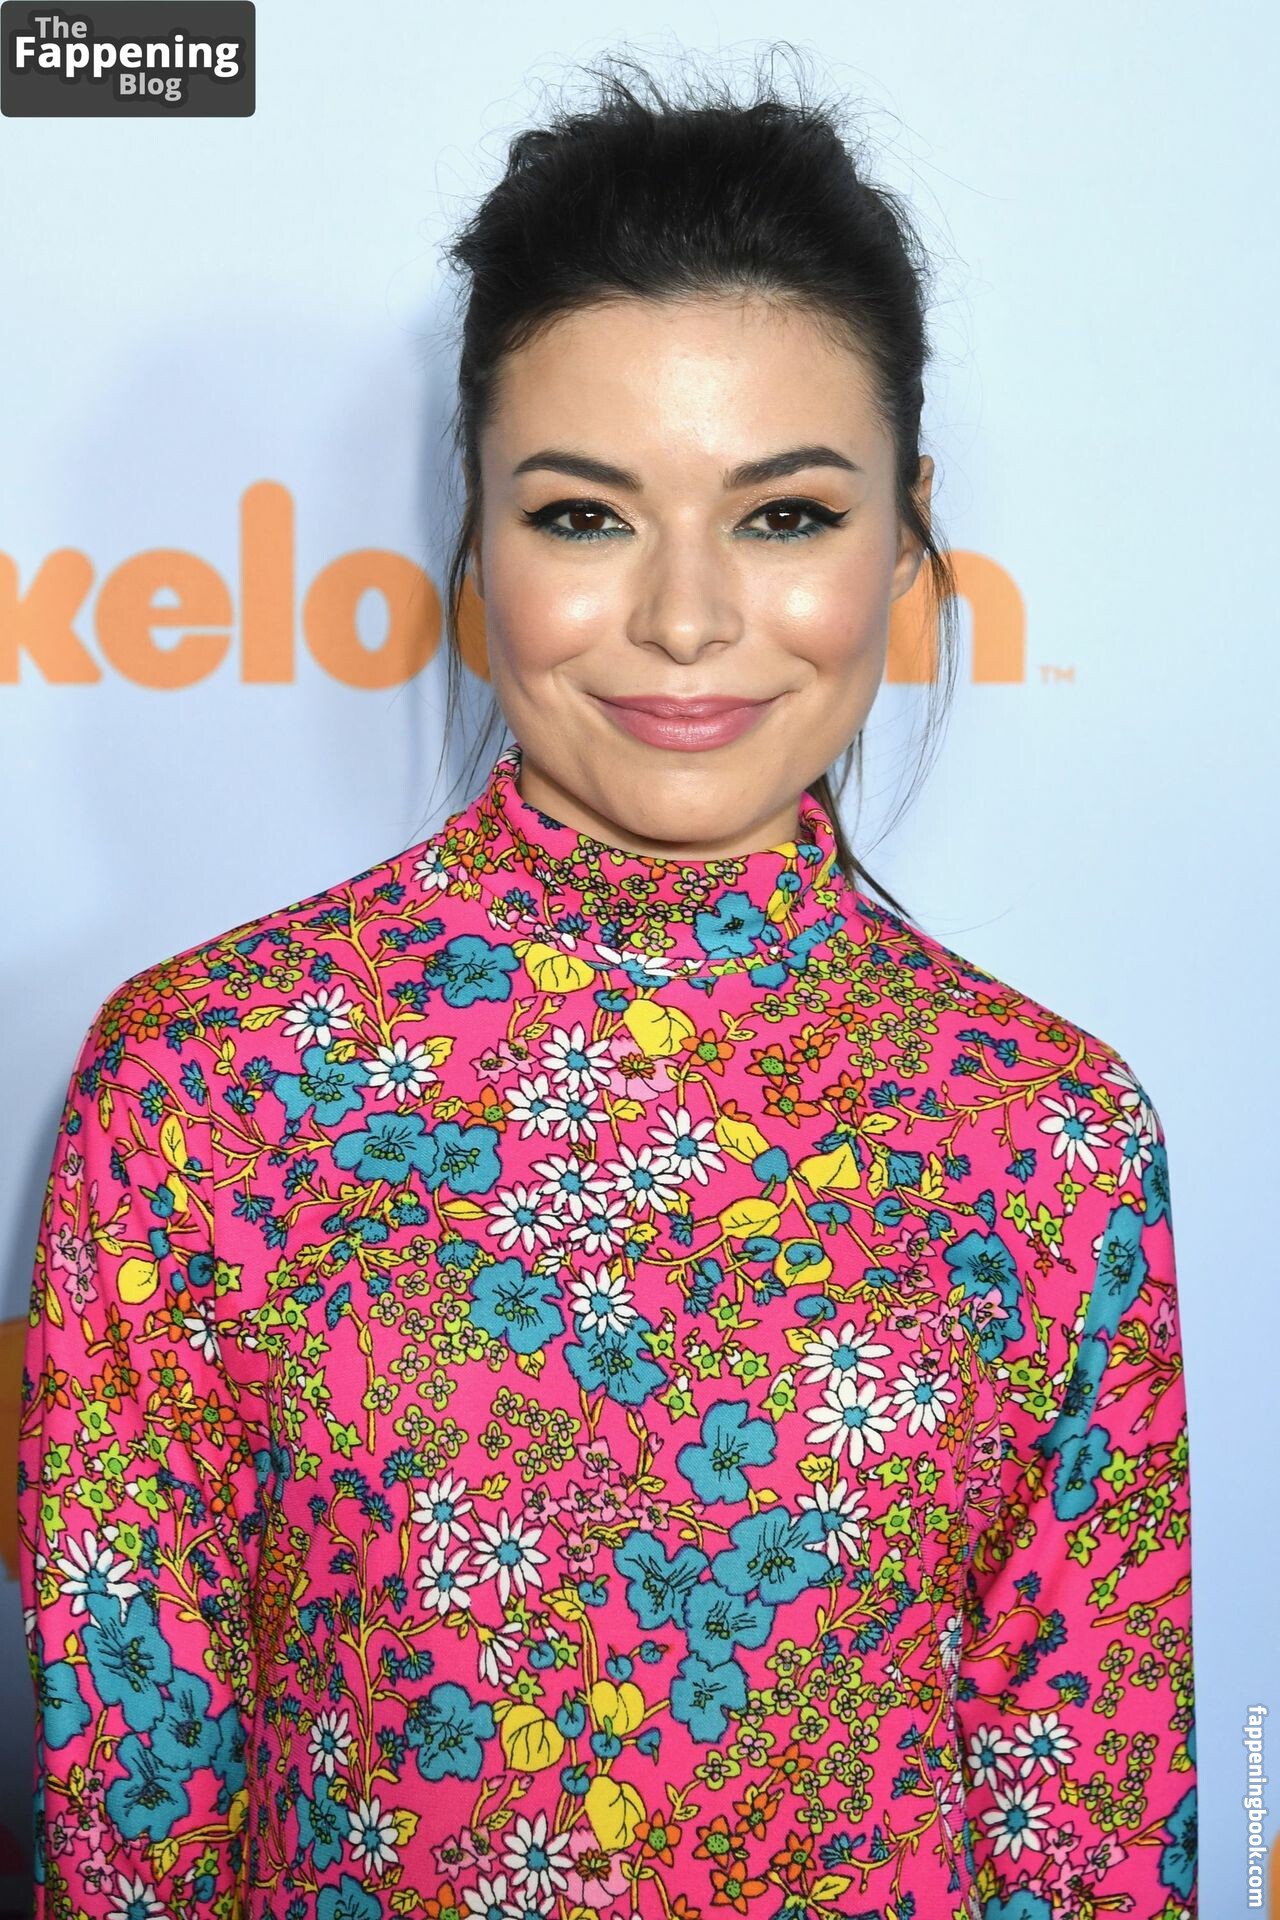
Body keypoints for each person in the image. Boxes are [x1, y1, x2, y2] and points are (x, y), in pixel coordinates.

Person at [18, 48, 1196, 1920]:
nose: (685, 619)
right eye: (585, 514)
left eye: (786, 514)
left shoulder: (1049, 1135)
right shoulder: (203, 1090)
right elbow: (136, 1819)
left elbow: (1089, 1829)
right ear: (477, 534)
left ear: (906, 534)